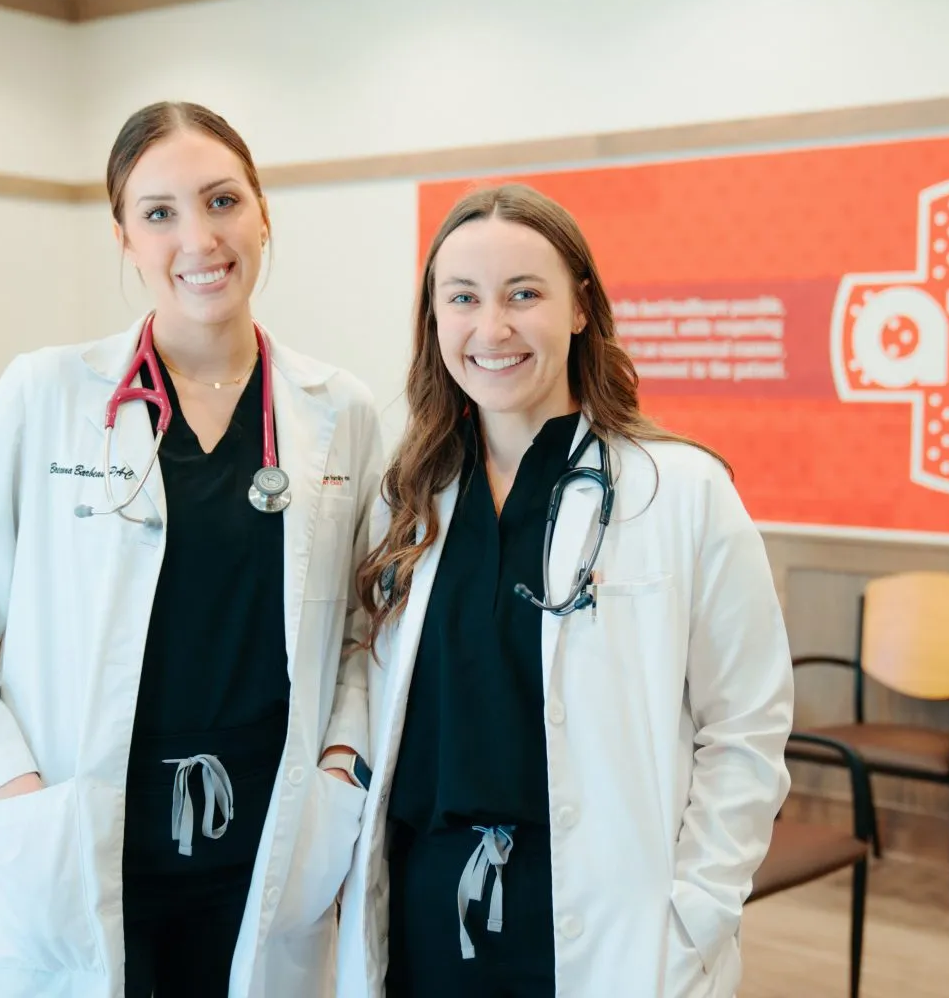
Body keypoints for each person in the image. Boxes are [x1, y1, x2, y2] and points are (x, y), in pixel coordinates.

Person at [0, 101, 382, 998]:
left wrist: (340, 764)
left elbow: (362, 629)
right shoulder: (46, 394)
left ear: (263, 212)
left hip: (268, 848)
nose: (199, 237)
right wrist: (8, 794)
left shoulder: (337, 409)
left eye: (223, 200)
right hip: (82, 843)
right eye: (159, 213)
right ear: (124, 237)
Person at [333, 183, 795, 998]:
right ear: (435, 320)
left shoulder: (679, 492)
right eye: (464, 298)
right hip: (426, 908)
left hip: (609, 921)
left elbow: (746, 729)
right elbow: (369, 682)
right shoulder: (406, 496)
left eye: (524, 294)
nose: (492, 328)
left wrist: (699, 908)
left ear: (580, 307)